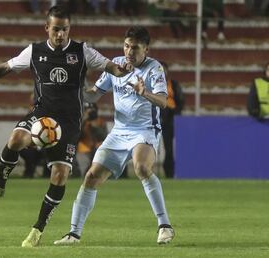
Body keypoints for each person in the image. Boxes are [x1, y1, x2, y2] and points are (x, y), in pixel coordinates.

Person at [0, 5, 132, 248]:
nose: (60, 34)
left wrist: (120, 70)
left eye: (65, 30)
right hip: (41, 115)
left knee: (60, 176)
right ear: (47, 28)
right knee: (16, 139)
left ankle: (37, 229)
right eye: (56, 29)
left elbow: (109, 65)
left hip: (68, 123)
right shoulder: (34, 51)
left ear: (70, 29)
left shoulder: (82, 51)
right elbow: (3, 68)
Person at [54, 26, 175, 246]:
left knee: (142, 168)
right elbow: (93, 96)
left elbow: (163, 102)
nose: (129, 51)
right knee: (91, 177)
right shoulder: (116, 64)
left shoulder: (154, 68)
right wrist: (74, 88)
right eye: (127, 46)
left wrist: (144, 92)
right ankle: (73, 233)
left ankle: (165, 225)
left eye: (135, 48)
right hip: (119, 132)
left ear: (146, 49)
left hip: (145, 130)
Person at [160, 62, 184, 178]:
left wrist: (174, 112)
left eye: (164, 70)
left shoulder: (173, 85)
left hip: (171, 121)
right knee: (164, 148)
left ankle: (171, 172)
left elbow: (181, 102)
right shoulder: (152, 85)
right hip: (159, 120)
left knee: (170, 148)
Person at [76, 102, 107, 177]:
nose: (90, 113)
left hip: (97, 148)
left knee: (96, 172)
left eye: (92, 110)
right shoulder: (80, 121)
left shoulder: (100, 121)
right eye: (87, 110)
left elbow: (104, 137)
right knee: (83, 172)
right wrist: (83, 121)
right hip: (83, 148)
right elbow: (76, 136)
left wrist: (95, 127)